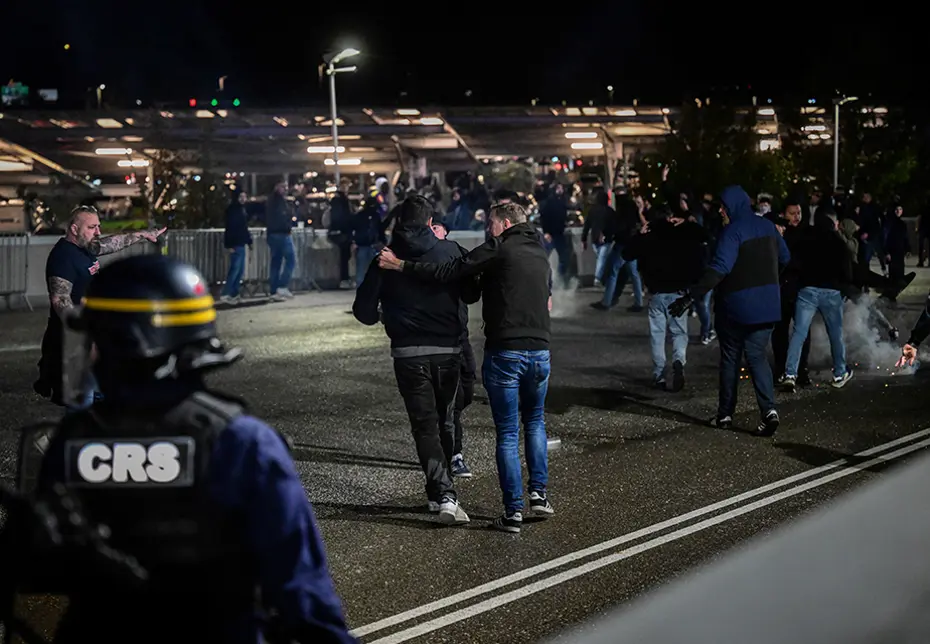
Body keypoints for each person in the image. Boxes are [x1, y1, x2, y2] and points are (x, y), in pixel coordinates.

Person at [32, 254, 355, 644]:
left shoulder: (74, 438)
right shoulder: (240, 440)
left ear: (121, 341)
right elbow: (302, 591)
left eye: (94, 338)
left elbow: (41, 571)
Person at [378, 201, 554, 534]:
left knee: (507, 433)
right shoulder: (540, 253)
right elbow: (546, 299)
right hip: (541, 352)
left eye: (491, 224)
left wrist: (401, 265)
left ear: (504, 224)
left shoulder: (499, 247)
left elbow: (451, 270)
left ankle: (513, 512)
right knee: (535, 422)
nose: (489, 230)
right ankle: (539, 495)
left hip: (507, 351)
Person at [353, 197, 477, 523]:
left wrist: (386, 315)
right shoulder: (450, 251)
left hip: (408, 353)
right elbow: (471, 293)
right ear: (430, 221)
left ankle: (441, 493)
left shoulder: (385, 259)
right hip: (448, 350)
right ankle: (443, 491)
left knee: (424, 426)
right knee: (445, 420)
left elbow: (363, 311)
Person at [670, 186, 790, 437]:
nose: (721, 211)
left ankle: (725, 414)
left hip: (736, 307)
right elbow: (785, 258)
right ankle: (769, 411)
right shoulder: (768, 227)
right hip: (767, 307)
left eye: (723, 207)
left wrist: (691, 296)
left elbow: (720, 268)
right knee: (757, 358)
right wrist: (769, 282)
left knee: (730, 359)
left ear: (732, 206)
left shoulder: (732, 231)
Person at [34, 205, 165, 411]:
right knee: (83, 403)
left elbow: (111, 243)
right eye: (92, 227)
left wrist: (142, 235)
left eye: (98, 226)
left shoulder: (85, 247)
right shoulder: (63, 258)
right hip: (71, 340)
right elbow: (60, 300)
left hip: (92, 333)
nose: (98, 232)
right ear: (74, 229)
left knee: (104, 398)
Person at [622, 206, 708, 391]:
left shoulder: (648, 238)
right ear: (670, 218)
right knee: (679, 333)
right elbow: (705, 237)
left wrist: (639, 235)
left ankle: (659, 375)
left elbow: (626, 254)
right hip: (678, 293)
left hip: (656, 294)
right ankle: (678, 361)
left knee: (657, 335)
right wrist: (688, 223)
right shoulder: (681, 234)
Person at [430, 220, 475, 478]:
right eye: (430, 227)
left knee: (467, 391)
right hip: (440, 340)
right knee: (450, 400)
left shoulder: (457, 252)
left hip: (461, 334)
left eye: (436, 227)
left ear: (445, 231)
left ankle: (446, 436)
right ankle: (455, 454)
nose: (433, 231)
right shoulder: (422, 256)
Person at [220, 189, 252, 305]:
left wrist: (249, 241)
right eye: (241, 197)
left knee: (239, 270)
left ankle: (234, 293)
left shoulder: (239, 209)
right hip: (236, 244)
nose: (243, 199)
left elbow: (243, 228)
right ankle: (227, 293)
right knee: (235, 269)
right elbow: (231, 228)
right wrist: (229, 245)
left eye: (244, 197)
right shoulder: (234, 210)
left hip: (240, 243)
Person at [266, 181, 296, 301]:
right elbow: (283, 217)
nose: (285, 189)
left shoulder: (271, 201)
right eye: (283, 187)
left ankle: (274, 291)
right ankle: (282, 286)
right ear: (277, 187)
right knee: (291, 259)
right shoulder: (279, 202)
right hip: (282, 234)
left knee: (276, 263)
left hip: (273, 234)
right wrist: (288, 226)